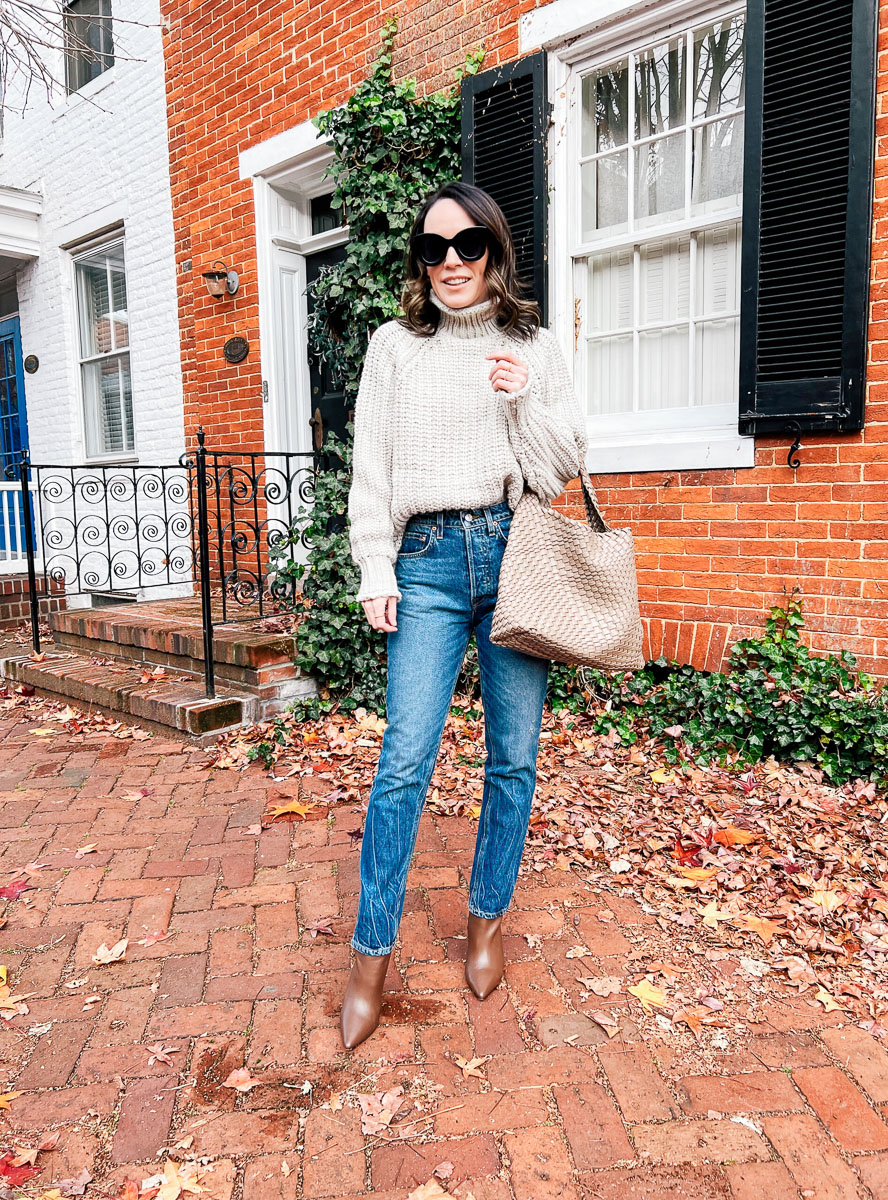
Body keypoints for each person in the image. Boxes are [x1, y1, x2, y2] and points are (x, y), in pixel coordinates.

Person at [340, 180, 588, 1049]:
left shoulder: (535, 347)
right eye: (433, 247)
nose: (450, 262)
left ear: (494, 250)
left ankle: (486, 922)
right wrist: (376, 566)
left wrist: (524, 399)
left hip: (515, 555)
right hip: (428, 564)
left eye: (467, 245)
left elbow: (560, 471)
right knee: (403, 761)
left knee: (513, 759)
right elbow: (371, 467)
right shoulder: (395, 347)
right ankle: (370, 958)